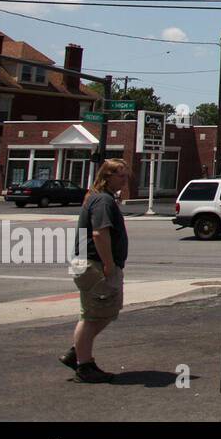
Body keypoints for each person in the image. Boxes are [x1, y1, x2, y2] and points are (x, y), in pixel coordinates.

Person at [61, 158, 131, 383]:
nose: (125, 180)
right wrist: (108, 264)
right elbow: (99, 233)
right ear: (107, 176)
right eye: (121, 175)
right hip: (95, 265)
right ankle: (84, 365)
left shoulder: (100, 197)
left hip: (92, 263)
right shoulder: (102, 200)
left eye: (126, 175)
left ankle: (78, 352)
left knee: (106, 311)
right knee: (92, 316)